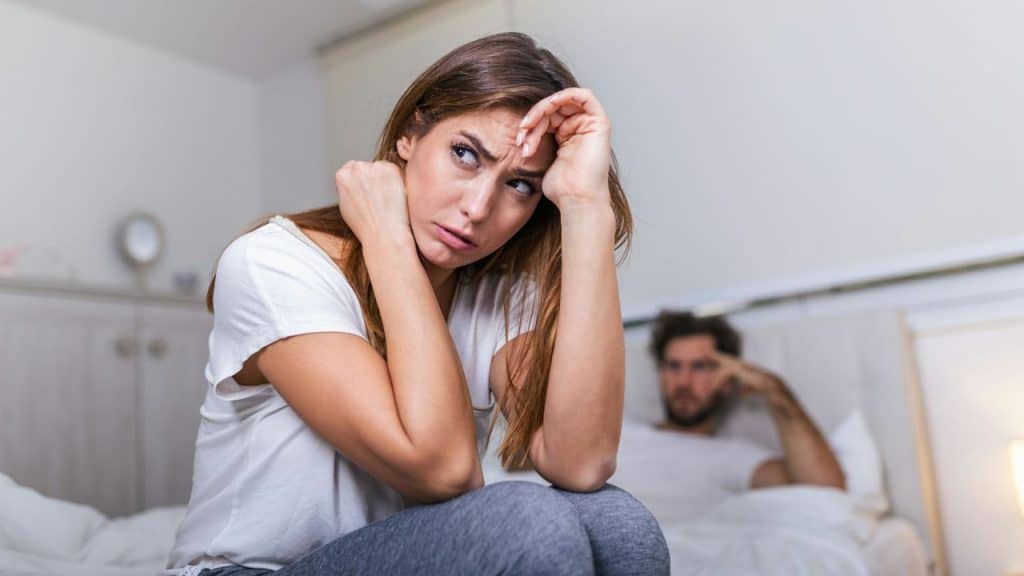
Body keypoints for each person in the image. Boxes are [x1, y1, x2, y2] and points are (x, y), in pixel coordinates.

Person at [165, 32, 669, 576]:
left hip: (392, 559)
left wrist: (587, 205)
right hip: (247, 571)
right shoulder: (274, 262)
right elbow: (444, 471)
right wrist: (386, 238)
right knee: (526, 522)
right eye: (465, 154)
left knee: (619, 526)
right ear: (410, 135)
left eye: (520, 186)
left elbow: (581, 463)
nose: (478, 207)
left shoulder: (496, 294)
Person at [646, 311, 845, 514]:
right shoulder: (627, 433)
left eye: (700, 367)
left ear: (727, 381)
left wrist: (775, 390)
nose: (683, 381)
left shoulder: (731, 457)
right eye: (673, 366)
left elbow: (826, 492)